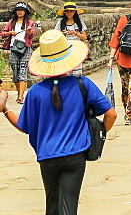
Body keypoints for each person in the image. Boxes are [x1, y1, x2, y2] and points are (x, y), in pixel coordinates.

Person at [0, 28, 116, 215]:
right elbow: (111, 114)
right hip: (75, 154)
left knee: (52, 205)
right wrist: (100, 132)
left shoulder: (36, 92)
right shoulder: (82, 84)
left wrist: (5, 109)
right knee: (68, 207)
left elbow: (24, 126)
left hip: (47, 155)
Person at [1, 1, 37, 103]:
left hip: (25, 48)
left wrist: (29, 32)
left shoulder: (29, 23)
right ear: (16, 12)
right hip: (14, 48)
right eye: (18, 10)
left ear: (25, 12)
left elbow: (32, 35)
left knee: (22, 71)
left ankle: (20, 96)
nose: (20, 12)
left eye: (22, 10)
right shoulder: (11, 22)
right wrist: (9, 33)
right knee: (15, 73)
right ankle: (19, 92)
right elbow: (3, 33)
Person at [55, 3, 88, 78]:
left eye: (71, 11)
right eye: (67, 11)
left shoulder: (79, 23)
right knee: (65, 73)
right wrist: (62, 34)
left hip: (76, 50)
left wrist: (75, 33)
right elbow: (56, 36)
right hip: (64, 50)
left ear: (74, 12)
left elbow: (84, 37)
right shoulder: (60, 23)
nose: (69, 13)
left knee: (76, 74)